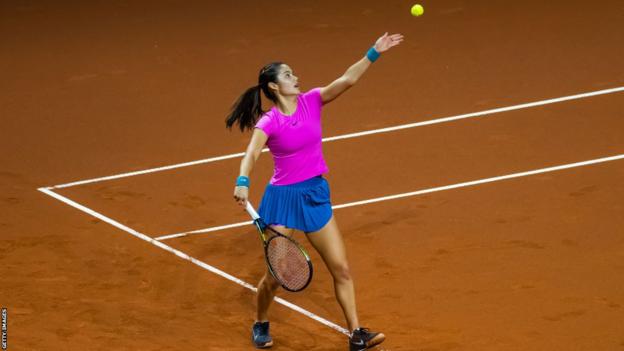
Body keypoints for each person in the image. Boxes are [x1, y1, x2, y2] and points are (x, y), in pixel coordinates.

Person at [226, 32, 403, 351]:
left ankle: (356, 334)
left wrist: (374, 52)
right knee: (277, 276)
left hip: (315, 194)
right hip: (282, 200)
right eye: (289, 74)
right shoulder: (270, 121)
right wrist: (243, 181)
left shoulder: (313, 100)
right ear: (274, 87)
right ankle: (261, 321)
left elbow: (347, 79)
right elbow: (252, 153)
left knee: (342, 269)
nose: (297, 77)